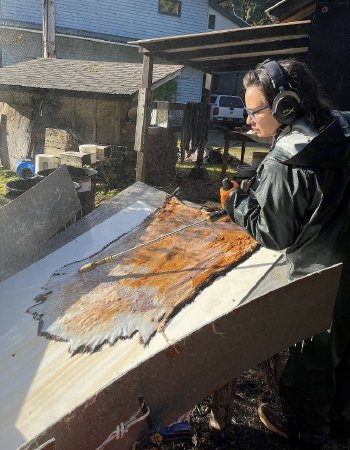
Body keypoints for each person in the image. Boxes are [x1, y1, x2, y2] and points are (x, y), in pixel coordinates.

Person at [220, 59, 350, 445]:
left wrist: (234, 203)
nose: (248, 120)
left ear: (285, 107)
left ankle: (306, 429)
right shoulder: (341, 127)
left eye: (255, 110)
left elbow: (273, 233)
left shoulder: (286, 161)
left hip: (320, 277)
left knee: (314, 355)